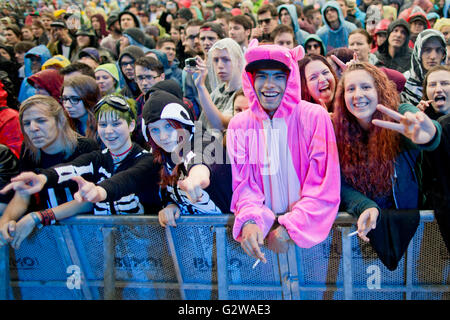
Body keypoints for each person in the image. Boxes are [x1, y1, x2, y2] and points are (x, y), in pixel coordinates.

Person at [226, 39, 340, 261]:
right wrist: (250, 221)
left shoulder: (314, 116)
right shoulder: (238, 125)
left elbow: (324, 184)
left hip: (311, 238)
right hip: (265, 238)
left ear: (291, 79)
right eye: (262, 76)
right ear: (251, 79)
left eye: (279, 76)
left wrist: (290, 228)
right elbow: (244, 185)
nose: (269, 84)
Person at [0, 94, 162, 249]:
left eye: (116, 123)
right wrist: (42, 178)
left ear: (131, 125)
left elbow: (126, 180)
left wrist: (98, 191)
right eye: (103, 125)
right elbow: (71, 168)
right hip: (104, 248)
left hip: (147, 246)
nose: (109, 131)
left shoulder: (148, 160)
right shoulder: (97, 157)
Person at [332, 62, 442, 270]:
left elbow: (419, 125)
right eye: (350, 89)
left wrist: (428, 135)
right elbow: (338, 183)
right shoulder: (337, 131)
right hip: (360, 231)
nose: (358, 95)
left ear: (379, 90)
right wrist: (365, 206)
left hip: (409, 232)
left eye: (366, 87)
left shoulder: (398, 116)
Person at [0, 95, 99, 247]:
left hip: (90, 235)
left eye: (41, 120)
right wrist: (6, 221)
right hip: (54, 236)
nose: (33, 128)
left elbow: (90, 201)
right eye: (27, 123)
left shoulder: (85, 147)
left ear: (60, 121)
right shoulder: (29, 151)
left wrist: (38, 217)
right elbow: (23, 195)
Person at [141, 82, 232, 224]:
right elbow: (167, 191)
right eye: (155, 130)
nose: (163, 136)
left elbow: (199, 159)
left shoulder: (202, 140)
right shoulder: (163, 154)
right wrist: (171, 205)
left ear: (182, 122)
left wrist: (195, 179)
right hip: (193, 240)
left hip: (228, 237)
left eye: (168, 126)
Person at [189, 38, 245, 132]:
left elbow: (220, 125)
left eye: (226, 59)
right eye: (215, 60)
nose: (220, 65)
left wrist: (201, 87)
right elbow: (202, 127)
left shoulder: (245, 93)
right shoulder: (218, 91)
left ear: (239, 61)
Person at [401, 29, 447, 106]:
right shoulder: (404, 82)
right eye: (427, 50)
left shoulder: (448, 80)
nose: (433, 56)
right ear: (418, 53)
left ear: (443, 54)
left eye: (438, 50)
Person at [61, 75, 101, 140]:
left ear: (89, 99)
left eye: (75, 99)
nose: (67, 105)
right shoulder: (64, 122)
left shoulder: (103, 124)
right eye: (65, 98)